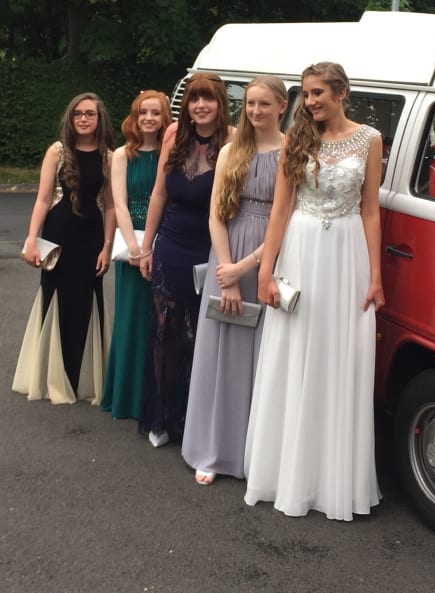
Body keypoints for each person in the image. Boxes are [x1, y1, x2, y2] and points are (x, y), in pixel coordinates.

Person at [243, 62, 385, 520]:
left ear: (341, 93)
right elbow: (280, 211)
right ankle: (286, 473)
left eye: (318, 93)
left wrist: (376, 276)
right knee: (294, 353)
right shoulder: (296, 139)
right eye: (305, 94)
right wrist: (266, 273)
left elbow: (370, 210)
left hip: (346, 255)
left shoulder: (370, 139)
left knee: (339, 356)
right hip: (301, 251)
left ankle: (332, 478)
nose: (310, 102)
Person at [182, 76, 288, 485]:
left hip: (266, 260)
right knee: (219, 353)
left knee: (260, 356)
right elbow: (215, 215)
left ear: (282, 107)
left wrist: (246, 268)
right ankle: (212, 450)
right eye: (250, 104)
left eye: (264, 104)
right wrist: (225, 273)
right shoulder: (230, 150)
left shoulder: (290, 153)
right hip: (225, 258)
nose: (256, 111)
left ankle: (252, 453)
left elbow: (284, 220)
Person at [138, 73, 235, 448]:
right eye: (194, 99)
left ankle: (193, 420)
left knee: (203, 337)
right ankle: (161, 416)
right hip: (171, 246)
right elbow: (159, 194)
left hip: (211, 248)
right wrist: (147, 246)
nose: (200, 106)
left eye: (208, 99)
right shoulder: (173, 134)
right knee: (166, 332)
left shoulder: (233, 139)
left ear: (220, 103)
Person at [13, 92, 116, 404]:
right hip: (58, 235)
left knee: (86, 300)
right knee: (55, 297)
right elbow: (43, 199)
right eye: (77, 114)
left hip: (91, 238)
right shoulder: (57, 151)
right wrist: (32, 240)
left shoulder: (109, 157)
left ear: (99, 119)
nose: (83, 119)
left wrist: (107, 248)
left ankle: (81, 379)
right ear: (70, 119)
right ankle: (51, 377)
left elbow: (111, 206)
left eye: (89, 114)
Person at [101, 90, 172, 419]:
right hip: (132, 248)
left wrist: (154, 247)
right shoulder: (121, 155)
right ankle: (126, 397)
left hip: (164, 242)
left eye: (155, 113)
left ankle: (154, 397)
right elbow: (119, 204)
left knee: (159, 320)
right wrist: (135, 249)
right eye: (143, 112)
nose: (149, 118)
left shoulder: (171, 153)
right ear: (135, 116)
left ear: (164, 117)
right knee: (131, 319)